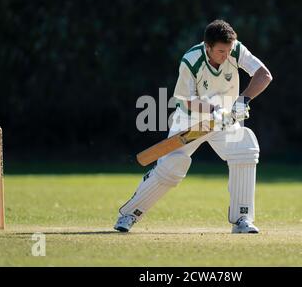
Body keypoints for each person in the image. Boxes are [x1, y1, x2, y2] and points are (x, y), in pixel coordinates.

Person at [115, 19, 273, 233]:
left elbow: (264, 75)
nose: (226, 56)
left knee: (245, 150)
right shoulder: (191, 60)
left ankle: (242, 219)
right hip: (191, 119)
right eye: (220, 52)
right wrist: (213, 111)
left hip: (226, 117)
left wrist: (242, 101)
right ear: (207, 47)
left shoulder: (235, 49)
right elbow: (183, 100)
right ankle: (128, 215)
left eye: (228, 50)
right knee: (171, 166)